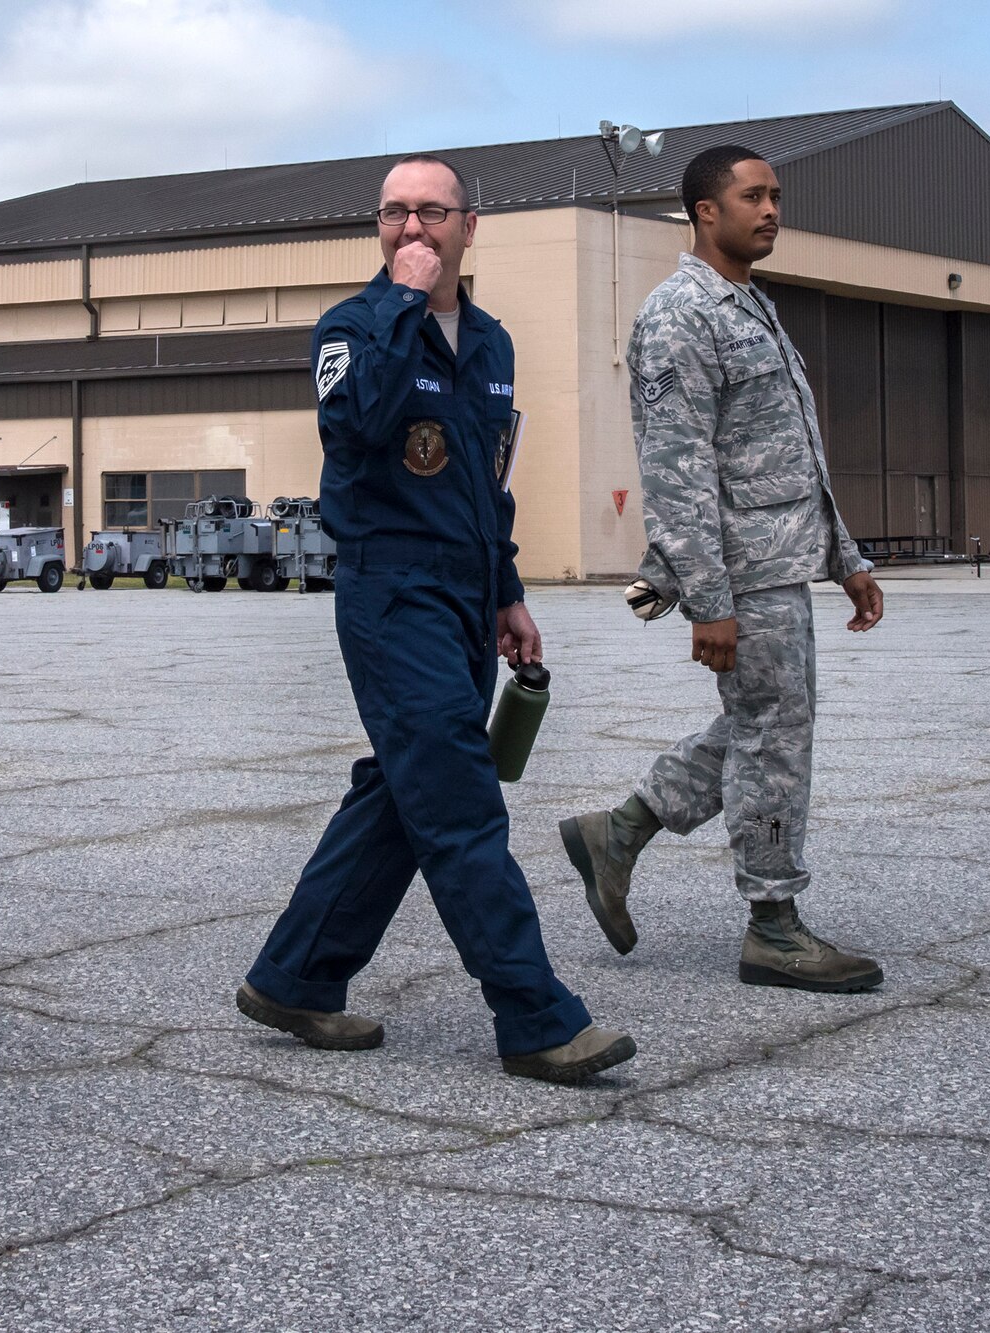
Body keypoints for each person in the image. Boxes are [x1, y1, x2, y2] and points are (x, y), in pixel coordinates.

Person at [235, 154, 635, 1084]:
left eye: (431, 214)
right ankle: (535, 1015)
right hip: (391, 590)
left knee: (403, 789)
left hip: (464, 594)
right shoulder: (351, 328)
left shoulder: (491, 342)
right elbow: (360, 426)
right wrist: (401, 304)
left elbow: (489, 481)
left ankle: (295, 977)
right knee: (456, 796)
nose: (412, 230)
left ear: (470, 226)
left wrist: (507, 590)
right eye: (395, 215)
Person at [558, 146, 885, 992]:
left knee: (762, 724)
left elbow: (793, 454)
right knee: (774, 734)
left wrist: (845, 556)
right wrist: (708, 599)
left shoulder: (751, 307)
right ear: (706, 210)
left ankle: (619, 832)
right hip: (741, 576)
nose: (772, 209)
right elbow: (677, 469)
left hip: (782, 563)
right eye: (754, 196)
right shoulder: (678, 316)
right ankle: (773, 923)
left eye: (777, 195)